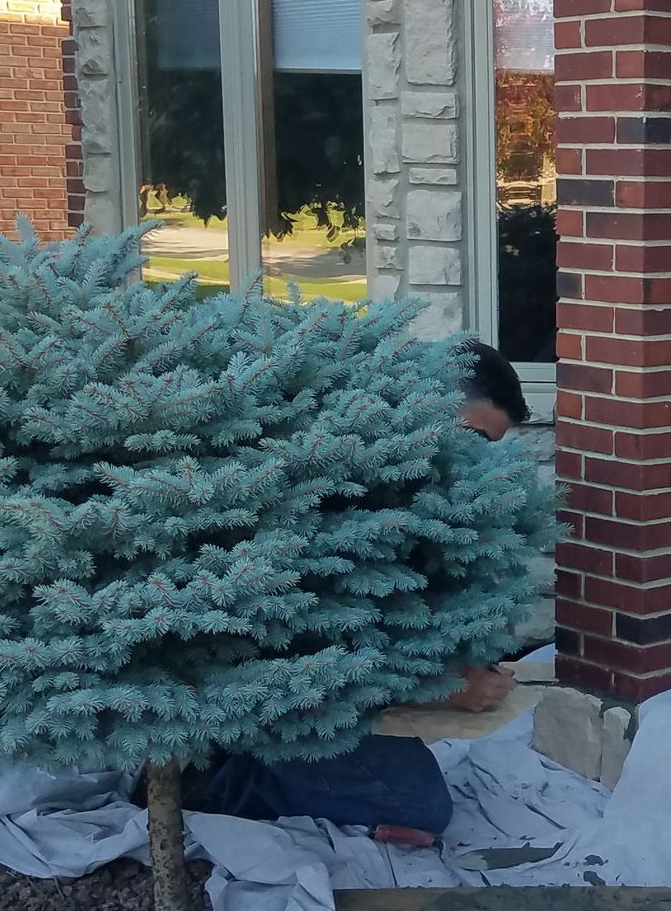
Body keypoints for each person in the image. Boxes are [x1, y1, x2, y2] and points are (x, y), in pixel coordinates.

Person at [180, 338, 533, 846]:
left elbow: (392, 613)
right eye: (472, 435)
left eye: (490, 445)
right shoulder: (331, 476)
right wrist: (447, 687)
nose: (478, 458)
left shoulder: (422, 491)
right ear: (424, 402)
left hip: (316, 696)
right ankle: (212, 785)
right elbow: (306, 633)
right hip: (258, 700)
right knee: (421, 805)